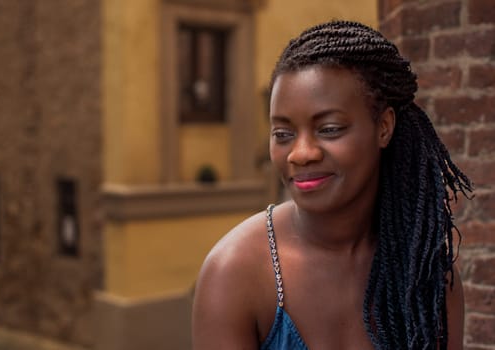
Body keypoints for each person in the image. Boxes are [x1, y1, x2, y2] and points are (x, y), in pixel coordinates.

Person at [192, 20, 472, 350]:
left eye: (329, 129)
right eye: (283, 134)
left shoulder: (424, 272)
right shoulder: (235, 273)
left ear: (383, 127)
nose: (301, 154)